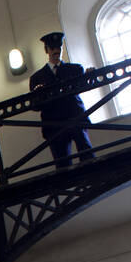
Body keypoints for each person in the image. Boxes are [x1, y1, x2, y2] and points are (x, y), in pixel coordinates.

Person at [29, 31, 94, 169]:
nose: (56, 51)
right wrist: (40, 94)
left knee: (87, 154)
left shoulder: (75, 69)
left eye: (59, 47)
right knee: (62, 163)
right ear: (47, 50)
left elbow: (82, 87)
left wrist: (89, 77)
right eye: (53, 48)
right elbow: (35, 106)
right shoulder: (37, 77)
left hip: (75, 116)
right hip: (54, 123)